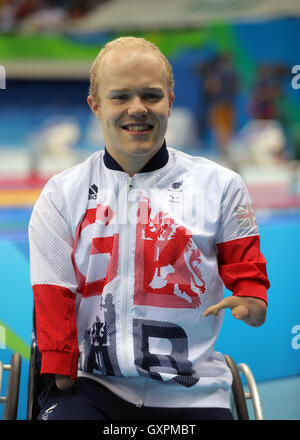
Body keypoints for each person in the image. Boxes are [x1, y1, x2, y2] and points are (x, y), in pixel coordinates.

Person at [29, 36, 270, 421]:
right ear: (95, 105)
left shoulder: (221, 186)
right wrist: (59, 367)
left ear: (171, 101)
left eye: (151, 95)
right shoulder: (62, 194)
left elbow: (247, 269)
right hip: (93, 386)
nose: (137, 109)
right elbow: (52, 289)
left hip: (194, 392)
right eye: (121, 96)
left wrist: (253, 297)